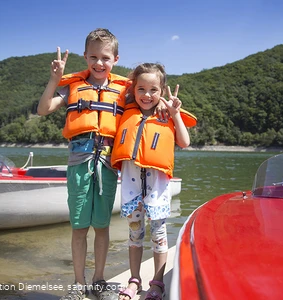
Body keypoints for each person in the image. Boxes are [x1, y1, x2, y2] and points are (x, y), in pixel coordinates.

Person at [37, 28, 127, 300]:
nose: (99, 63)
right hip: (80, 158)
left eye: (105, 58)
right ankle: (78, 283)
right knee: (79, 226)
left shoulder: (124, 91)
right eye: (93, 57)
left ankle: (99, 280)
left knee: (102, 226)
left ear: (116, 59)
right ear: (85, 57)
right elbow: (43, 109)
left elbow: (147, 102)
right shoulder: (72, 86)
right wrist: (54, 80)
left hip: (108, 163)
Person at [111, 63, 196, 300]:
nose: (147, 95)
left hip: (157, 188)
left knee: (159, 235)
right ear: (133, 89)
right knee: (134, 234)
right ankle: (134, 280)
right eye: (141, 89)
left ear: (162, 90)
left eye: (153, 90)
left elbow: (185, 142)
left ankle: (157, 283)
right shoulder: (126, 111)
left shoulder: (166, 114)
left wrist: (175, 113)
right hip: (132, 185)